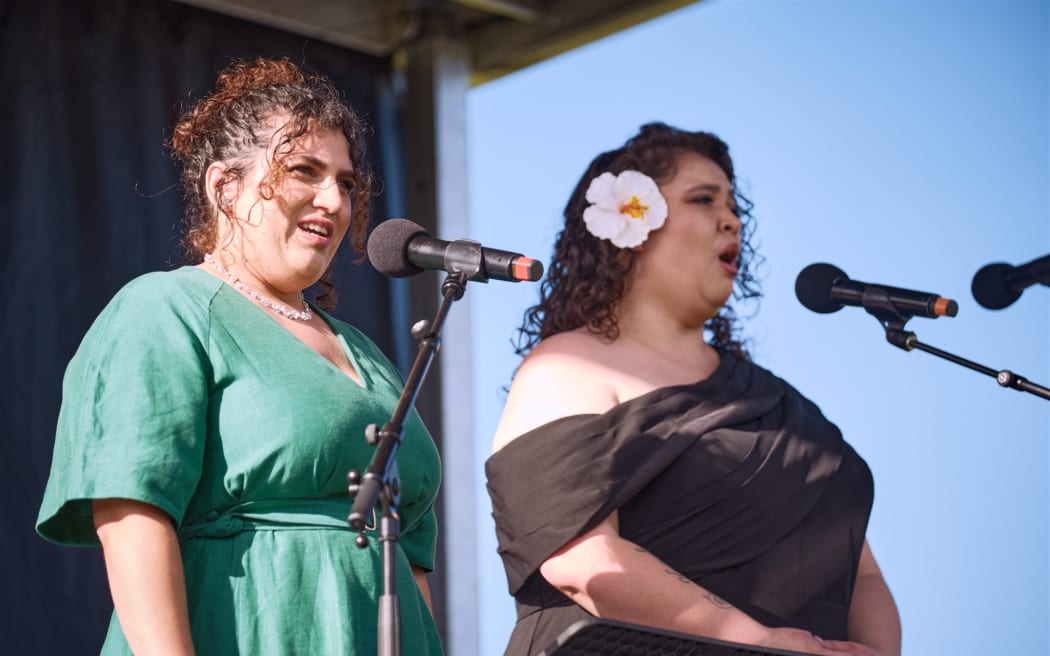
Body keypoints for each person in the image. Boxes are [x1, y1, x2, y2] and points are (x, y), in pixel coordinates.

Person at [36, 57, 442, 655]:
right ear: (225, 187)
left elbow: (408, 558)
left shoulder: (368, 356)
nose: (333, 199)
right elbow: (132, 514)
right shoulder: (166, 308)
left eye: (347, 182)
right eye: (305, 170)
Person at [486, 123, 901, 656]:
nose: (731, 219)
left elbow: (857, 568)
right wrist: (757, 642)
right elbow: (581, 559)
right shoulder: (567, 367)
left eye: (734, 206)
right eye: (703, 200)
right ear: (628, 227)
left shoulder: (781, 404)